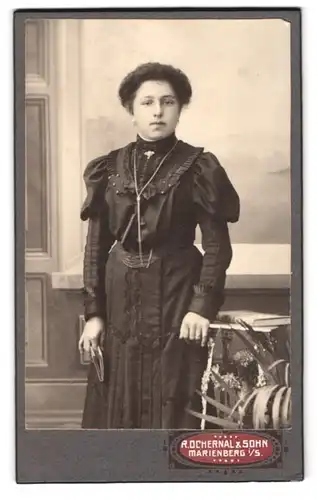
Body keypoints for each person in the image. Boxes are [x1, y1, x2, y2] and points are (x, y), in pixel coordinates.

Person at [78, 62, 240, 429]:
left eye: (167, 102)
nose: (157, 111)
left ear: (179, 108)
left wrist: (201, 307)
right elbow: (95, 247)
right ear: (131, 111)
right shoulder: (110, 167)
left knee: (175, 390)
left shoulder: (199, 166)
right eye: (147, 102)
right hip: (122, 300)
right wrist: (94, 314)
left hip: (177, 296)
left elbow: (217, 247)